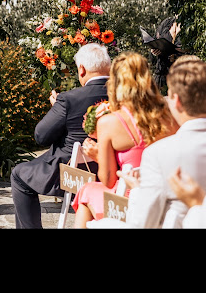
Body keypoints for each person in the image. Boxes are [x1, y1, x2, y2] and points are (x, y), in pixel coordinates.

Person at [89, 57, 206, 228]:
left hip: (139, 202)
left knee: (90, 206)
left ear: (177, 100)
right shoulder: (168, 119)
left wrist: (136, 189)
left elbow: (144, 222)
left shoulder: (157, 153)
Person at [10, 43, 111, 229]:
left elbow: (41, 136)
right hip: (112, 171)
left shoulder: (69, 99)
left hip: (70, 174)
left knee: (19, 175)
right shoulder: (125, 96)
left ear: (82, 69)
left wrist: (57, 109)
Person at [72, 52, 177, 227]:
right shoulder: (170, 117)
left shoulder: (110, 122)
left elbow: (108, 180)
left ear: (115, 83)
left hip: (130, 201)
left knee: (86, 190)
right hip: (168, 198)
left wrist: (99, 157)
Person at [150, 16, 183, 92]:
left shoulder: (188, 23)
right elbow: (155, 42)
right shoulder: (166, 23)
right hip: (161, 76)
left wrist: (175, 55)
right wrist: (153, 51)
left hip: (179, 76)